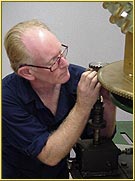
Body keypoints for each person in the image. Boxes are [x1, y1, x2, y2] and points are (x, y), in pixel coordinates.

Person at [2, 19, 116, 179]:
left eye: (61, 53)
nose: (65, 63)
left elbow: (100, 138)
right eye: (53, 61)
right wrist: (82, 105)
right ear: (27, 72)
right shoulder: (7, 98)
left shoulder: (75, 79)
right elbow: (49, 155)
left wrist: (110, 102)